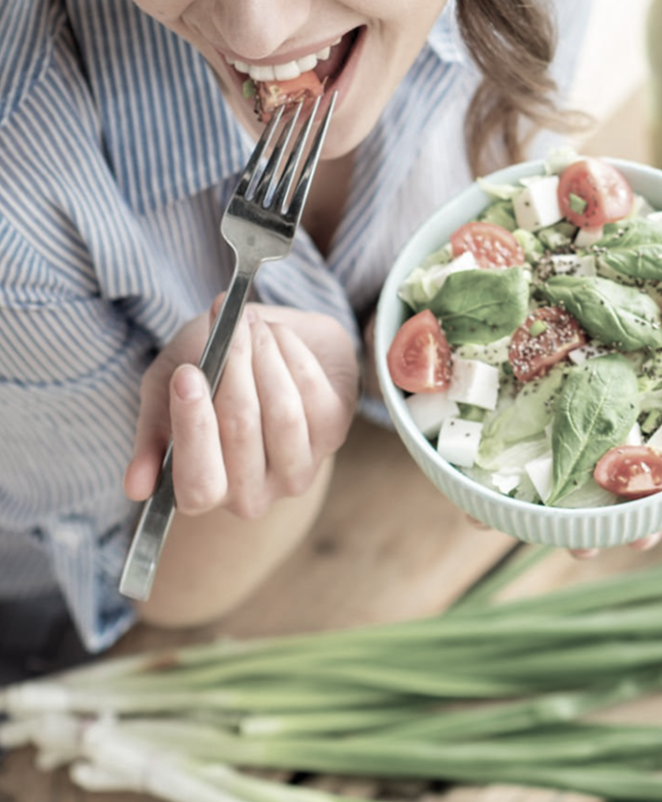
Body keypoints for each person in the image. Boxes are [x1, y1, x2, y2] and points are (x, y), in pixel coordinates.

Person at [1, 0, 613, 657]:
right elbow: (146, 585)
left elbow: (525, 228)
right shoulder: (21, 195)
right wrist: (260, 423)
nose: (255, 34)